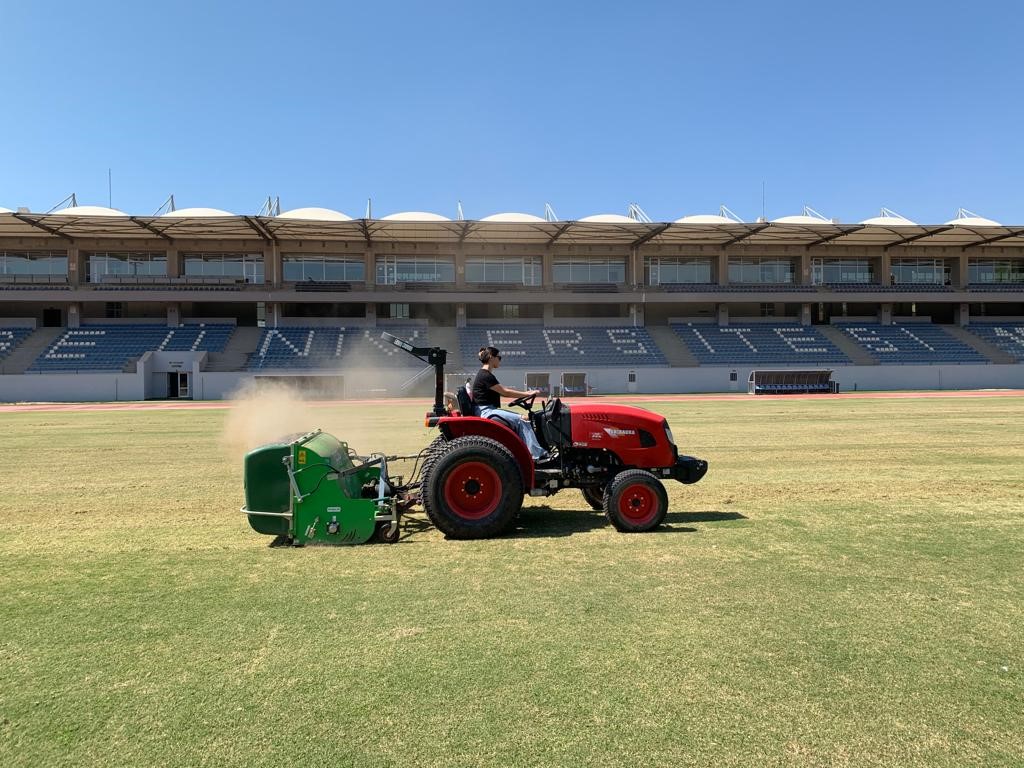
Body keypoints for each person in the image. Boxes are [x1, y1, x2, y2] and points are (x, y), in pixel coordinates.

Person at [472, 346, 549, 461]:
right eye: (499, 357)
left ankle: (528, 452)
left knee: (524, 418)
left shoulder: (485, 375)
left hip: (487, 409)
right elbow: (505, 392)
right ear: (491, 357)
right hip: (486, 412)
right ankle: (538, 456)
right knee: (523, 419)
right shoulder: (485, 375)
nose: (500, 360)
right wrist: (527, 393)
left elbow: (504, 391)